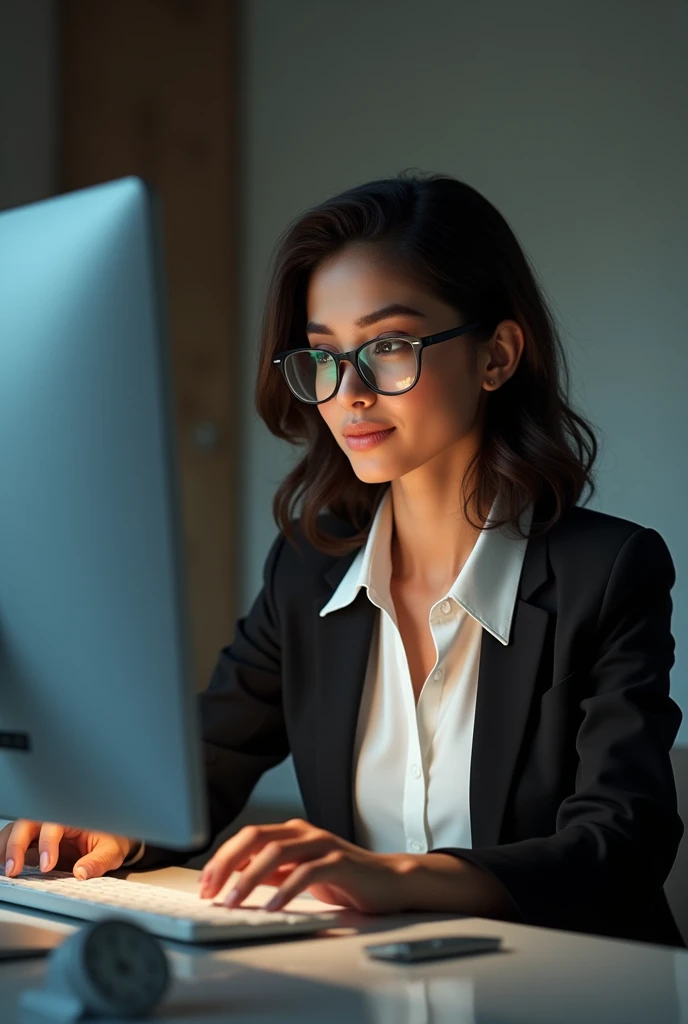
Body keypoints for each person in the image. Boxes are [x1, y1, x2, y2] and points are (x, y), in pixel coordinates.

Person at [1, 170, 684, 947]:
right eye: (324, 356)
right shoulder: (308, 570)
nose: (349, 392)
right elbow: (203, 766)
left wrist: (392, 876)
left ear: (496, 356)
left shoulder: (610, 570)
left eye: (389, 347)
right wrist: (113, 826)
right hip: (378, 990)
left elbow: (621, 845)